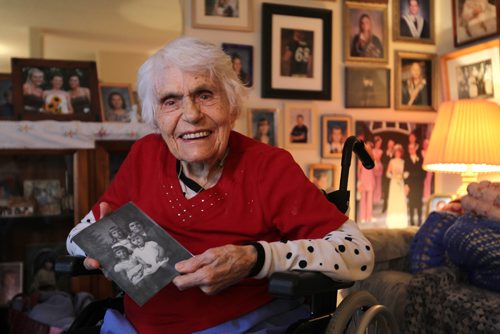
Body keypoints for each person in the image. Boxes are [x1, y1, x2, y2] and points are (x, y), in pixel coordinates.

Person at [66, 37, 374, 333]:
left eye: (204, 95)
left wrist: (256, 258)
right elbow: (76, 236)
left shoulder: (267, 166)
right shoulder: (145, 155)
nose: (191, 114)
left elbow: (359, 254)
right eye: (170, 101)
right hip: (132, 328)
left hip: (241, 326)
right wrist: (102, 249)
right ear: (155, 117)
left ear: (232, 105)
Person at [385, 144, 408, 228]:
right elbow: (387, 173)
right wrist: (393, 176)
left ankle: (401, 221)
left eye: (399, 152)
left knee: (400, 199)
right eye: (396, 152)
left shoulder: (403, 162)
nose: (398, 153)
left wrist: (403, 175)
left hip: (400, 182)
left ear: (401, 153)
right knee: (394, 199)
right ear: (395, 152)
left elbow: (405, 172)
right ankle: (392, 221)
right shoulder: (392, 161)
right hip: (394, 182)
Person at [404, 143, 427, 226]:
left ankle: (420, 220)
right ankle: (412, 221)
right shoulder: (406, 160)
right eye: (410, 149)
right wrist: (406, 184)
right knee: (411, 203)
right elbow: (405, 172)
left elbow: (424, 171)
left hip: (419, 185)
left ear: (415, 149)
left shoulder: (420, 158)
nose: (411, 150)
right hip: (411, 185)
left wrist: (421, 179)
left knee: (419, 203)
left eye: (412, 148)